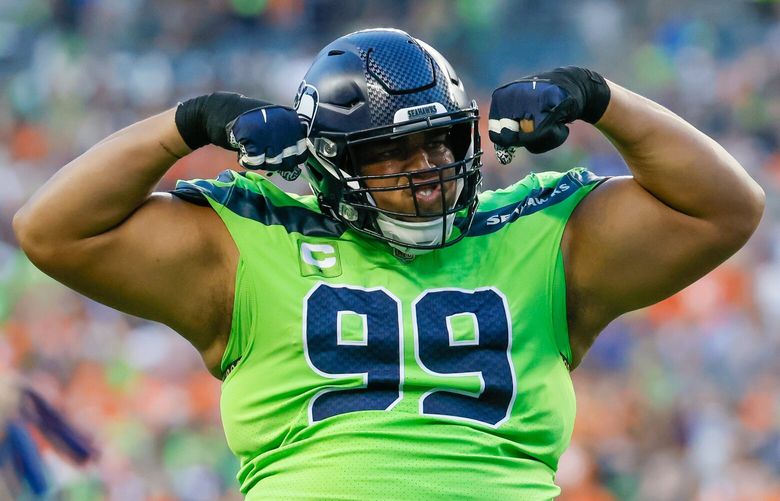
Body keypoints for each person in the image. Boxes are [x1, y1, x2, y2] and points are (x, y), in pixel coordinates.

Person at [12, 28, 764, 500]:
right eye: (392, 151)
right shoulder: (251, 239)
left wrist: (598, 97)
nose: (428, 167)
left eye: (440, 141)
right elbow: (51, 230)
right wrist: (188, 122)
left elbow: (727, 207)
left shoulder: (537, 231)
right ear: (331, 162)